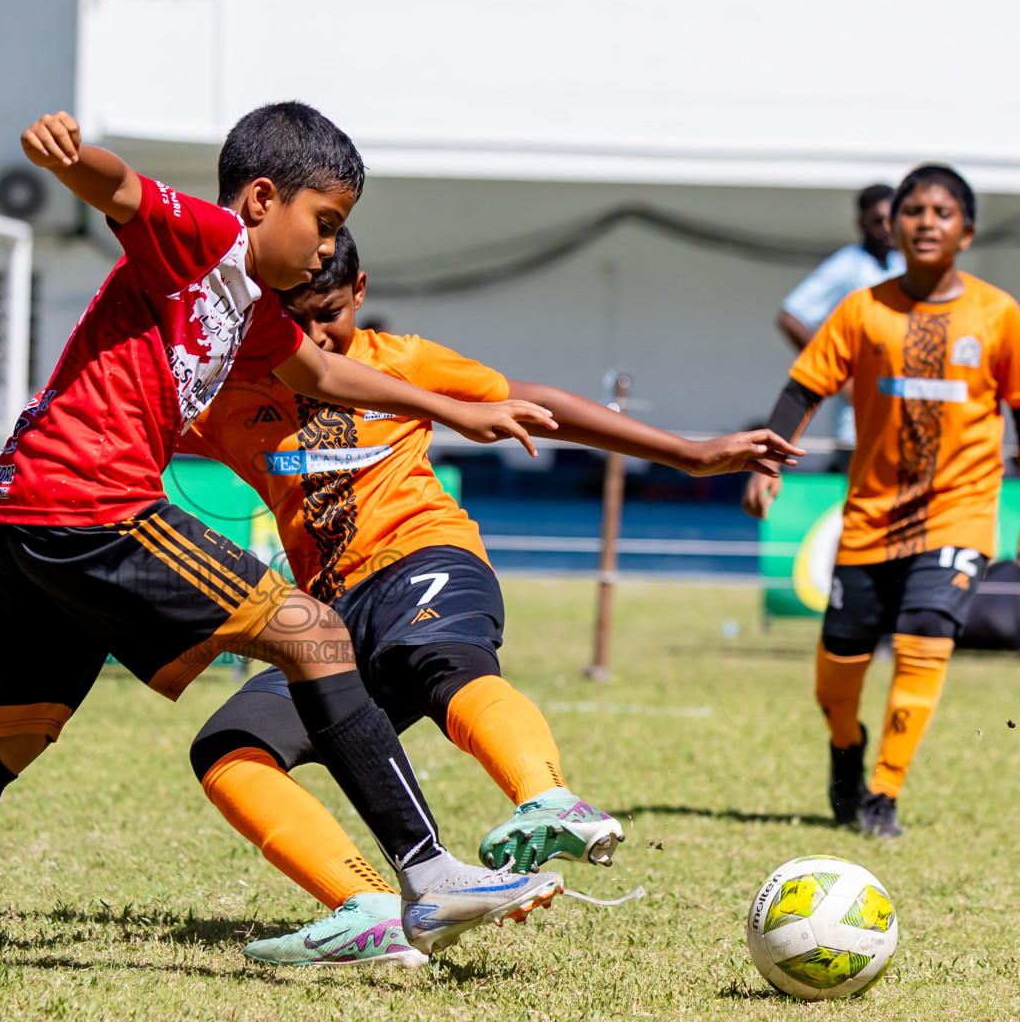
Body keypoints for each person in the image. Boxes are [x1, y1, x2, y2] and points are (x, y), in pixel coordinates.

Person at [0, 103, 571, 960]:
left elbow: (323, 371)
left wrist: (461, 411)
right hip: (93, 504)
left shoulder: (259, 313)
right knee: (314, 632)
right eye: (325, 223)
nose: (324, 250)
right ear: (263, 198)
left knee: (8, 738)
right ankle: (426, 875)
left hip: (30, 511)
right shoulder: (207, 238)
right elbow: (118, 189)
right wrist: (70, 157)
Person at [177, 228, 801, 966]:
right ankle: (367, 909)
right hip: (333, 618)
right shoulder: (230, 397)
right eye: (296, 320)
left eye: (332, 314)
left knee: (435, 660)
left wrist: (691, 454)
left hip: (427, 559)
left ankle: (547, 797)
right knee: (230, 747)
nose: (318, 337)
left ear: (362, 294)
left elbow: (535, 403)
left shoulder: (398, 363)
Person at [744, 164, 1020, 838]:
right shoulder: (864, 310)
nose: (927, 221)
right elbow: (804, 387)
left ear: (967, 230)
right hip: (871, 516)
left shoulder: (999, 315)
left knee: (927, 634)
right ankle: (847, 749)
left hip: (959, 511)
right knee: (837, 675)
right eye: (914, 210)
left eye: (943, 211)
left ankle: (883, 796)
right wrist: (766, 460)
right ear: (892, 226)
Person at [777, 185, 906, 465]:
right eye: (876, 220)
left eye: (891, 219)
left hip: (903, 422)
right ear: (860, 221)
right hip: (857, 429)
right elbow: (791, 316)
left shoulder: (903, 264)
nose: (885, 227)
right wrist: (841, 379)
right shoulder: (848, 266)